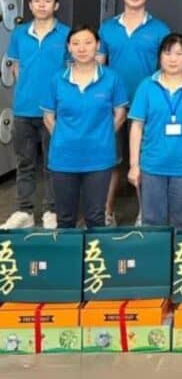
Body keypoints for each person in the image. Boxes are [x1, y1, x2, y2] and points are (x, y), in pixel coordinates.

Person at [98, 0, 171, 226]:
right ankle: (106, 213)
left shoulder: (160, 29)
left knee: (145, 162)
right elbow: (99, 68)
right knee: (111, 160)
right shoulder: (107, 28)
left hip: (148, 106)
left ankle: (145, 214)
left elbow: (167, 69)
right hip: (113, 105)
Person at [40, 25, 128, 228]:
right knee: (65, 218)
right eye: (76, 43)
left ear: (97, 45)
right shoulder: (57, 80)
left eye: (88, 42)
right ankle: (66, 259)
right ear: (68, 47)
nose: (82, 48)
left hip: (99, 157)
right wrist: (63, 137)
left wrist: (102, 136)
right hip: (63, 158)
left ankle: (93, 259)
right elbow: (48, 117)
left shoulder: (112, 78)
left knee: (96, 216)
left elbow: (120, 115)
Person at [1, 0, 70, 230]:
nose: (42, 5)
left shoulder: (66, 34)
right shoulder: (19, 34)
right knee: (25, 162)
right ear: (30, 5)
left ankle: (52, 210)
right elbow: (17, 68)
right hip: (23, 110)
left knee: (53, 163)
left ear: (56, 5)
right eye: (37, 0)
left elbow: (69, 71)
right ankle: (25, 211)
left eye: (47, 0)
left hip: (54, 111)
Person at [127, 33, 182, 229]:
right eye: (168, 53)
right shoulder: (147, 86)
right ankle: (155, 260)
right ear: (160, 56)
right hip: (152, 166)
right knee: (152, 223)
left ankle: (179, 259)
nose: (173, 59)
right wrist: (134, 165)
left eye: (179, 54)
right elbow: (136, 127)